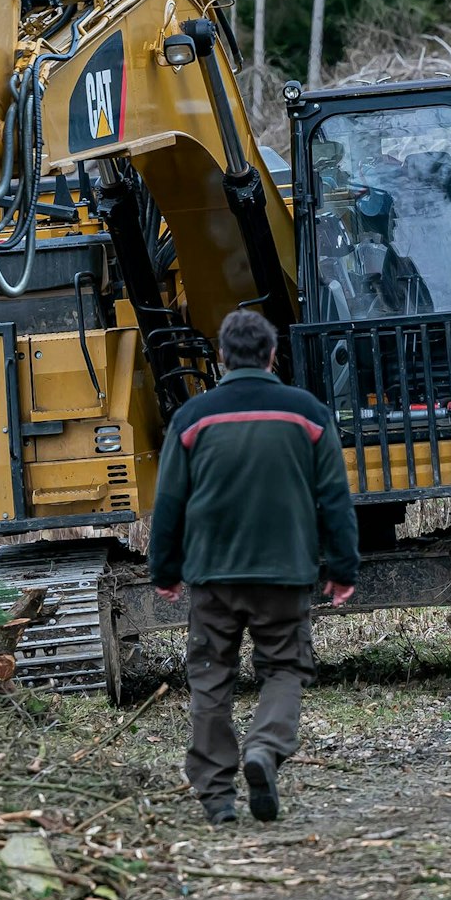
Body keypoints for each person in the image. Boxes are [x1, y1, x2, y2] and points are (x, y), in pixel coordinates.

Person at [150, 310, 359, 826]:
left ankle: (218, 797)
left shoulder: (192, 418)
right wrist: (342, 566)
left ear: (221, 357)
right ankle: (264, 749)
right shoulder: (308, 414)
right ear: (271, 356)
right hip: (284, 574)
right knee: (285, 668)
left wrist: (165, 569)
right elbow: (334, 498)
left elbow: (170, 502)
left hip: (212, 576)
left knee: (209, 677)